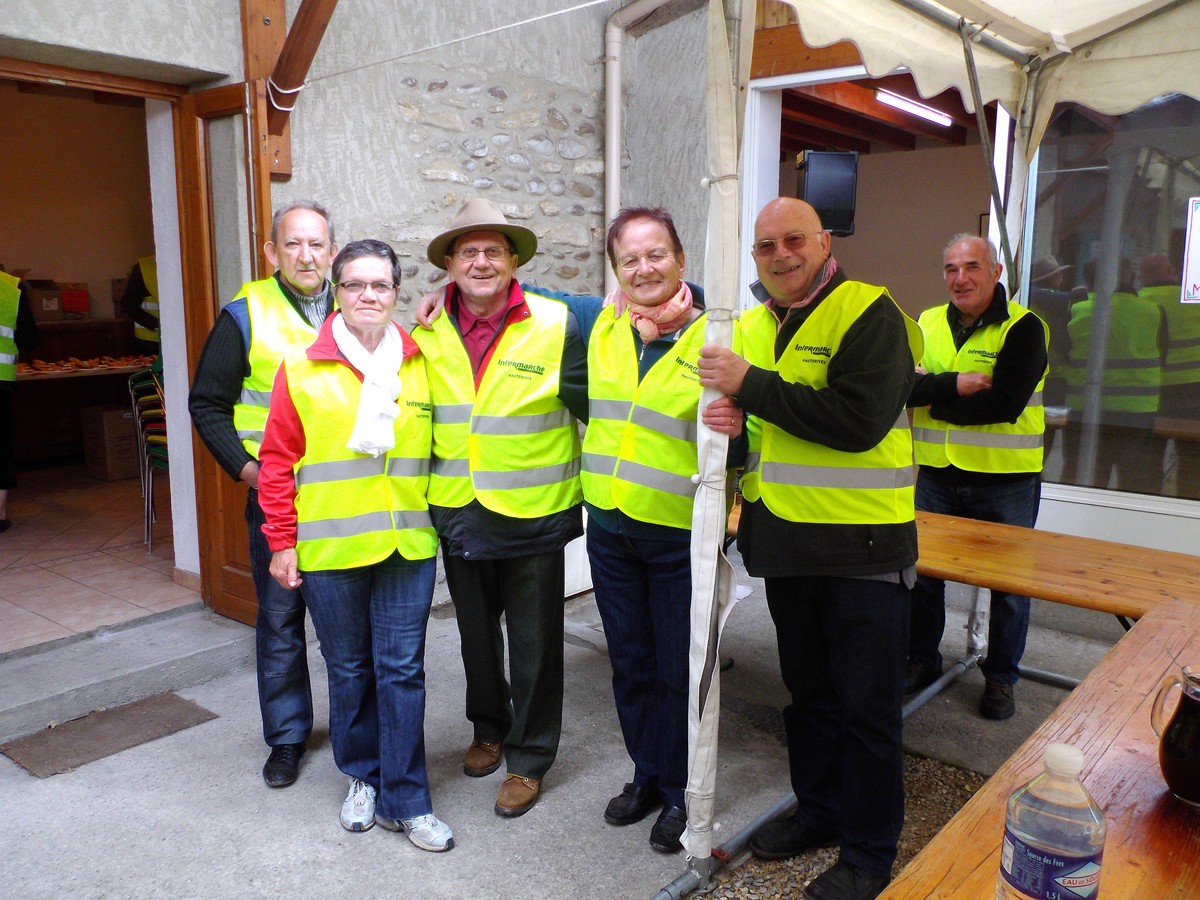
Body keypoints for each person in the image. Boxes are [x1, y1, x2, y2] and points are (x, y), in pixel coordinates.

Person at [697, 197, 922, 900]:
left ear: (824, 242)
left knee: (868, 712)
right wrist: (732, 420)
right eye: (765, 247)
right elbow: (766, 426)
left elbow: (857, 423)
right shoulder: (762, 324)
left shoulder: (869, 312)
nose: (780, 255)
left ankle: (868, 853)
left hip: (864, 551)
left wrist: (749, 386)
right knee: (811, 699)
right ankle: (820, 811)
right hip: (790, 546)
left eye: (794, 240)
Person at [256, 239, 454, 851]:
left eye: (380, 286)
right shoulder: (301, 366)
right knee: (348, 669)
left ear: (397, 293)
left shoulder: (422, 361)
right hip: (332, 550)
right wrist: (281, 542)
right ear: (336, 293)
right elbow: (276, 462)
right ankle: (361, 777)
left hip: (406, 547)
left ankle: (407, 797)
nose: (368, 296)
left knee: (402, 671)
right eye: (354, 285)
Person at [412, 198, 588, 819]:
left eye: (493, 251)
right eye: (468, 252)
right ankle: (488, 727)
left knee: (537, 643)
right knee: (474, 636)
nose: (481, 261)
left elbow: (661, 296)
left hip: (533, 511)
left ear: (515, 262)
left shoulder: (562, 320)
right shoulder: (424, 330)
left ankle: (529, 758)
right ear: (449, 265)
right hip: (458, 507)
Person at [189, 201, 335, 789]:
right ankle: (288, 736)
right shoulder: (245, 314)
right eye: (293, 244)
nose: (306, 255)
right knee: (280, 619)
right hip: (276, 499)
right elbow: (208, 403)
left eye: (317, 244)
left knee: (348, 626)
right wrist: (249, 471)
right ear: (272, 252)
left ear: (332, 251)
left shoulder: (357, 303)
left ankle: (357, 732)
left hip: (348, 501)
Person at [906, 235, 1049, 722]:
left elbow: (1005, 405)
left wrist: (934, 397)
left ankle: (1001, 677)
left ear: (995, 272)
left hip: (1004, 479)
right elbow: (902, 386)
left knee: (1009, 588)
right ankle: (923, 659)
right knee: (921, 575)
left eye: (971, 266)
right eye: (950, 268)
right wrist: (956, 387)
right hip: (937, 475)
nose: (959, 278)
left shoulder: (1025, 327)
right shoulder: (925, 323)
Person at [1062, 257, 1167, 495]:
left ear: (1088, 281)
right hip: (1138, 413)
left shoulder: (1077, 309)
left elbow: (1063, 352)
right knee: (1136, 485)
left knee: (1082, 484)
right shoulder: (1153, 311)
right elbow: (1163, 355)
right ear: (1129, 277)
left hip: (1085, 410)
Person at [1139, 252, 1200, 498]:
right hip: (1193, 388)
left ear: (1142, 276)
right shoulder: (1192, 299)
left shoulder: (1140, 301)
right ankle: (1187, 500)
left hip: (1155, 388)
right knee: (1192, 457)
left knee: (1151, 455)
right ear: (1170, 270)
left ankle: (1150, 500)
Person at [0, 264, 41, 532]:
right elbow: (30, 339)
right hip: (0, 380)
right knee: (0, 446)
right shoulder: (11, 288)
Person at [119, 255, 160, 357]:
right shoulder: (144, 268)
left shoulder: (186, 264)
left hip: (182, 340)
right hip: (150, 344)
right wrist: (156, 323)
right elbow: (128, 304)